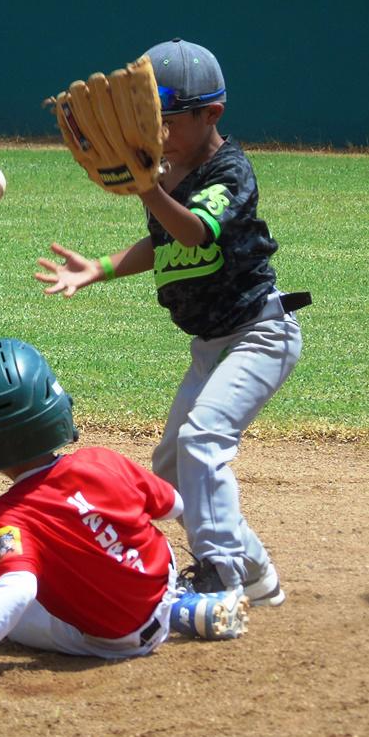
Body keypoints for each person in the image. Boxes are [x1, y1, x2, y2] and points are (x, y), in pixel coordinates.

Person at [35, 39, 308, 610]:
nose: (158, 134)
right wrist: (100, 268)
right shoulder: (162, 169)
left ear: (213, 114)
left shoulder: (230, 171)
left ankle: (219, 575)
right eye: (152, 119)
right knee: (172, 464)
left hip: (260, 333)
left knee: (202, 439)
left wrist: (148, 186)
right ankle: (255, 571)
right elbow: (161, 241)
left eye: (170, 120)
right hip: (212, 346)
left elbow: (192, 232)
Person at [0, 338, 248, 685]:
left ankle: (174, 614)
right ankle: (180, 604)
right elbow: (173, 506)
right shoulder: (101, 460)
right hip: (158, 576)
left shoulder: (8, 516)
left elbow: (18, 589)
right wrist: (95, 520)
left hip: (119, 641)